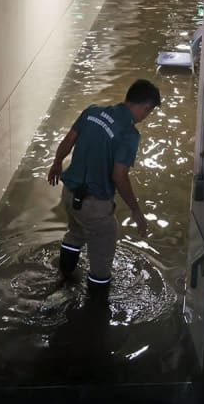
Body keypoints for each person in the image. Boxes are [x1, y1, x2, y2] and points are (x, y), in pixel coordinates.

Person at [47, 79, 161, 287]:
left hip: (70, 194)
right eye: (149, 111)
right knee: (101, 262)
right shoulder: (129, 134)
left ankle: (63, 278)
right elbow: (119, 176)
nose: (146, 117)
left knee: (75, 233)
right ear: (145, 107)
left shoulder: (93, 112)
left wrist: (56, 164)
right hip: (95, 206)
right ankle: (94, 312)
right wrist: (136, 210)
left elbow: (68, 141)